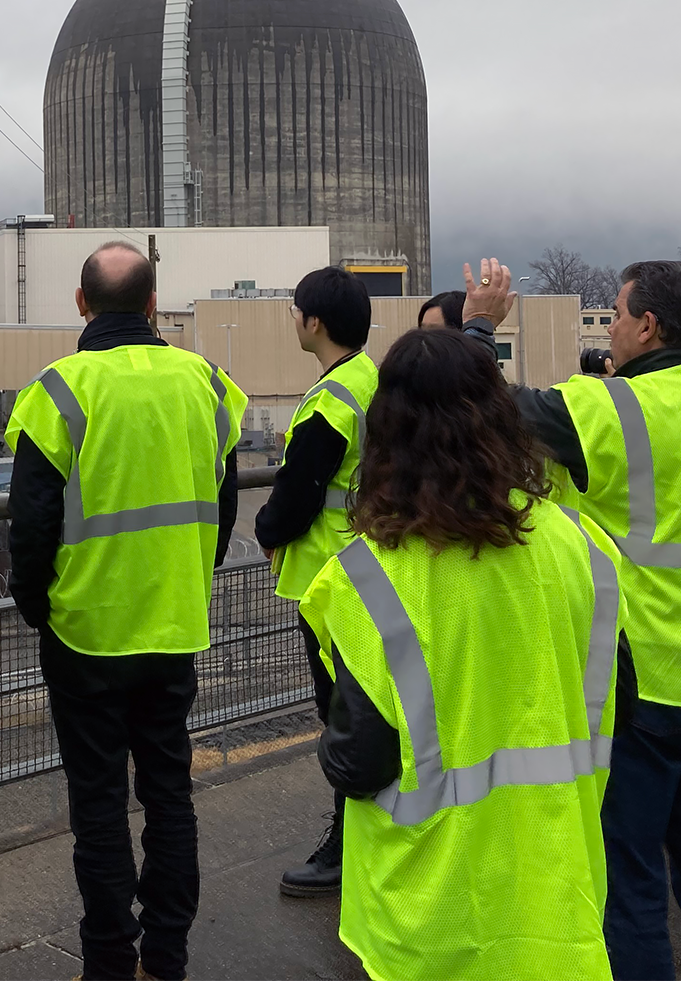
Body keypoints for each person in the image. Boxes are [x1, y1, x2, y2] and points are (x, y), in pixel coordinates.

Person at [464, 257, 681, 980]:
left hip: (637, 684)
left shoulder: (604, 408)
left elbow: (478, 409)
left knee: (631, 878)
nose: (609, 328)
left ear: (648, 326)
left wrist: (479, 325)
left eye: (615, 313)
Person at [301, 326, 632, 981]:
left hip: (430, 912)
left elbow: (357, 760)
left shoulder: (366, 578)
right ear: (503, 419)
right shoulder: (582, 546)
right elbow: (627, 703)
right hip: (558, 890)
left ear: (386, 431)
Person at [6, 241, 246, 981]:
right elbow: (225, 502)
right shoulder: (207, 383)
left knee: (100, 808)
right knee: (170, 794)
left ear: (82, 304)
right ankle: (164, 957)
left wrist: (38, 604)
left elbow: (32, 524)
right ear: (152, 305)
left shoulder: (59, 391)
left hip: (84, 634)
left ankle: (108, 960)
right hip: (173, 627)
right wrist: (186, 578)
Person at [252, 266, 379, 897]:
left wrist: (265, 528)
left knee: (341, 715)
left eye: (295, 310)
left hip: (331, 578)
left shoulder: (332, 400)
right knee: (366, 711)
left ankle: (347, 845)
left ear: (315, 322)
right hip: (365, 571)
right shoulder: (369, 381)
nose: (292, 320)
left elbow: (298, 495)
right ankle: (362, 836)